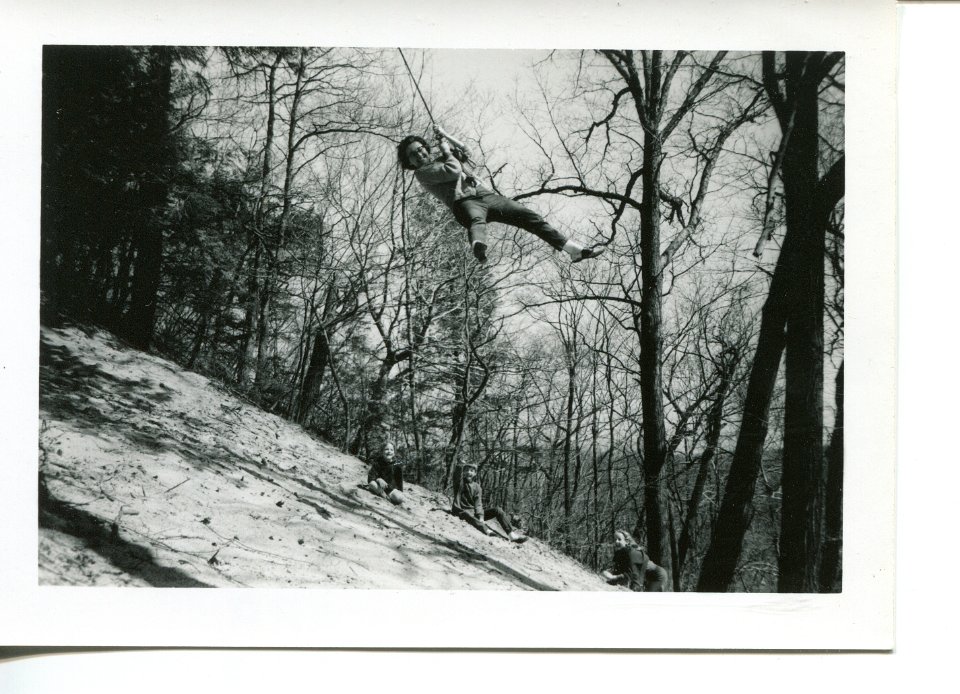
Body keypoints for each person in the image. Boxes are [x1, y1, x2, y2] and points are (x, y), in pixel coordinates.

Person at [397, 125, 605, 265]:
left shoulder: (442, 156)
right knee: (476, 220)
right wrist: (447, 152)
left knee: (527, 215)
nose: (420, 154)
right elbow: (452, 170)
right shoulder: (422, 173)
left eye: (421, 149)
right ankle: (478, 245)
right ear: (410, 162)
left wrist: (445, 135)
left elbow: (467, 151)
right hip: (465, 203)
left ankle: (573, 249)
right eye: (414, 155)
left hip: (486, 195)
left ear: (426, 147)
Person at [451, 461, 527, 543]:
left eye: (471, 471)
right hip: (460, 510)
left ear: (475, 473)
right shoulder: (460, 483)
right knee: (467, 514)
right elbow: (456, 476)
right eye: (466, 470)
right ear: (463, 471)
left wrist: (480, 516)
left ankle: (511, 535)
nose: (469, 472)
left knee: (497, 510)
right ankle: (487, 531)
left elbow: (478, 503)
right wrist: (460, 465)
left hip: (473, 512)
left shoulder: (477, 487)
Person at [601, 529, 670, 592]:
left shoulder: (632, 553)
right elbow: (618, 570)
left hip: (658, 576)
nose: (616, 541)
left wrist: (613, 577)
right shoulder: (620, 553)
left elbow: (632, 575)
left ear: (627, 541)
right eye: (614, 539)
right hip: (646, 575)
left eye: (619, 539)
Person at [364, 440, 405, 506]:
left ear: (394, 452)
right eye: (386, 449)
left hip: (391, 489)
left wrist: (399, 492)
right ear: (382, 452)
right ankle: (383, 496)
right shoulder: (378, 462)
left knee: (400, 498)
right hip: (379, 487)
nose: (389, 451)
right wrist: (378, 479)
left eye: (391, 450)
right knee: (372, 484)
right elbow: (371, 477)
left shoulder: (397, 464)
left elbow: (399, 481)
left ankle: (387, 495)